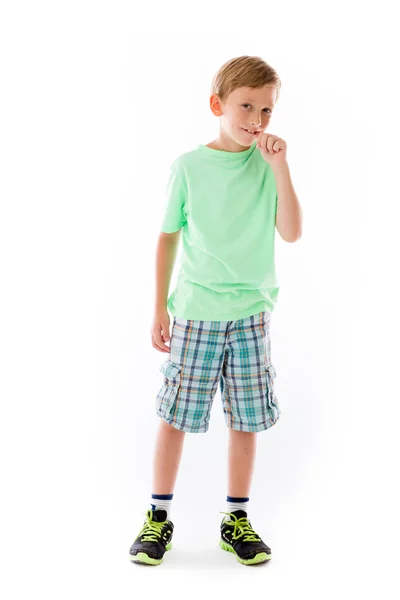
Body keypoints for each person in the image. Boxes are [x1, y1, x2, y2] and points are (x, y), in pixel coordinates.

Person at [129, 55, 302, 566]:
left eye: (267, 110)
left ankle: (237, 518)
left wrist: (281, 167)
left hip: (251, 313)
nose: (257, 118)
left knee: (246, 419)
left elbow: (291, 231)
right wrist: (159, 306)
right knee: (176, 416)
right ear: (217, 106)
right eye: (246, 105)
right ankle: (157, 516)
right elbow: (166, 238)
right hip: (197, 312)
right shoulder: (188, 166)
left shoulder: (267, 165)